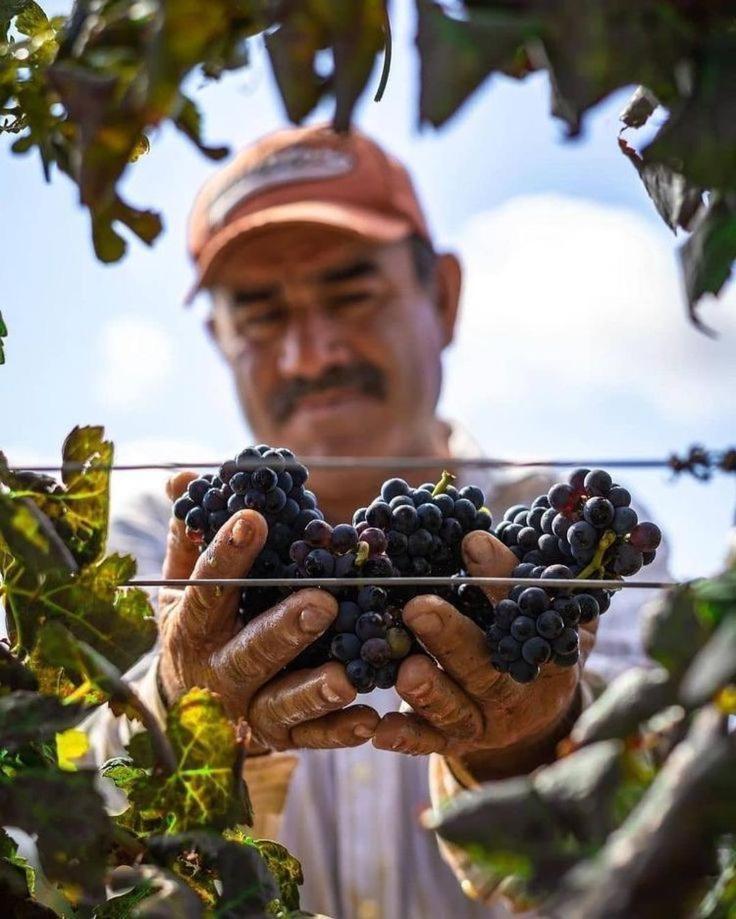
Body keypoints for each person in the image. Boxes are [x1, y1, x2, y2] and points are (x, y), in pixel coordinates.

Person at [92, 124, 669, 919]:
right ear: (218, 342)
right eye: (259, 315)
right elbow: (46, 842)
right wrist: (170, 718)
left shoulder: (579, 540)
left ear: (444, 298)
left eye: (351, 293)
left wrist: (536, 745)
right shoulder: (145, 548)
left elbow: (683, 834)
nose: (312, 352)